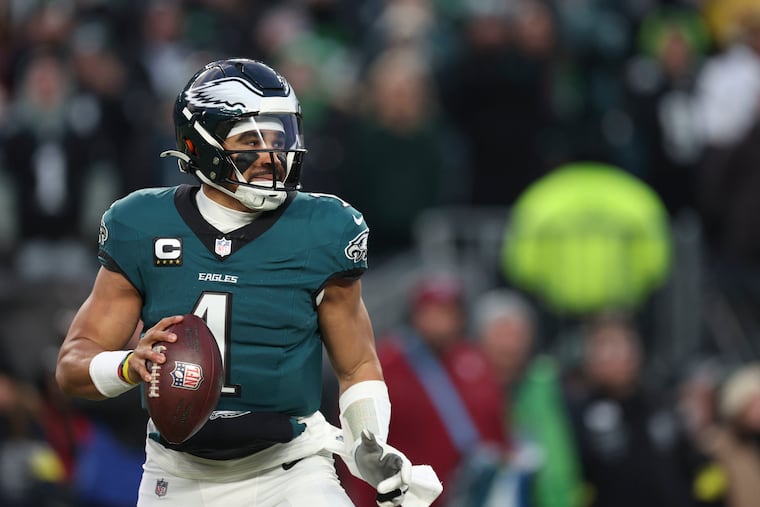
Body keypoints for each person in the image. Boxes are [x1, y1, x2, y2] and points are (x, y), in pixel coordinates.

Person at [55, 58, 441, 507]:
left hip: (292, 470)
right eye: (250, 140)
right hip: (177, 476)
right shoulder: (142, 224)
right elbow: (72, 365)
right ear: (201, 144)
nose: (270, 154)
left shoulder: (322, 228)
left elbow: (356, 364)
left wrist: (366, 440)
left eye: (278, 138)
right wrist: (126, 365)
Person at [345, 275, 507, 506]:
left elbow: (496, 426)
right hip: (404, 498)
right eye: (432, 312)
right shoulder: (384, 364)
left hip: (468, 496)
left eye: (448, 313)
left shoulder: (475, 362)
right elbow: (360, 441)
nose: (441, 322)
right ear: (414, 316)